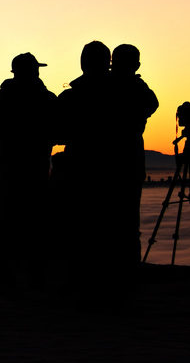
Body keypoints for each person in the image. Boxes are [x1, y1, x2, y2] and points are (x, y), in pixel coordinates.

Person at [0, 53, 56, 288]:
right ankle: (37, 276)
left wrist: (6, 144)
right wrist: (42, 142)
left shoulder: (3, 97)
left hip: (9, 169)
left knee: (5, 221)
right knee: (37, 223)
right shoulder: (46, 99)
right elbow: (61, 131)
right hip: (37, 170)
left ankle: (3, 275)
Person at [55, 41, 119, 302]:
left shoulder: (71, 96)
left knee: (77, 228)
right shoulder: (122, 92)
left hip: (78, 168)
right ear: (108, 62)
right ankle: (109, 284)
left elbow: (56, 132)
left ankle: (77, 283)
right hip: (113, 169)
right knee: (110, 228)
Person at [111, 44, 158, 265]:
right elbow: (152, 103)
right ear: (136, 64)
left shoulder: (102, 85)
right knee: (129, 222)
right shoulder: (138, 88)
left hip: (103, 164)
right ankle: (129, 267)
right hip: (129, 161)